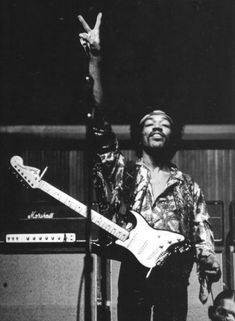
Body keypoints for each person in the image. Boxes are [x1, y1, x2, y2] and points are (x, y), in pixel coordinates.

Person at [78, 12, 221, 321]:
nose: (157, 127)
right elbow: (100, 124)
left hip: (174, 278)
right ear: (139, 134)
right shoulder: (123, 172)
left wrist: (210, 261)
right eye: (149, 123)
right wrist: (96, 62)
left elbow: (202, 234)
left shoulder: (188, 185)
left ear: (173, 135)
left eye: (165, 124)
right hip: (133, 274)